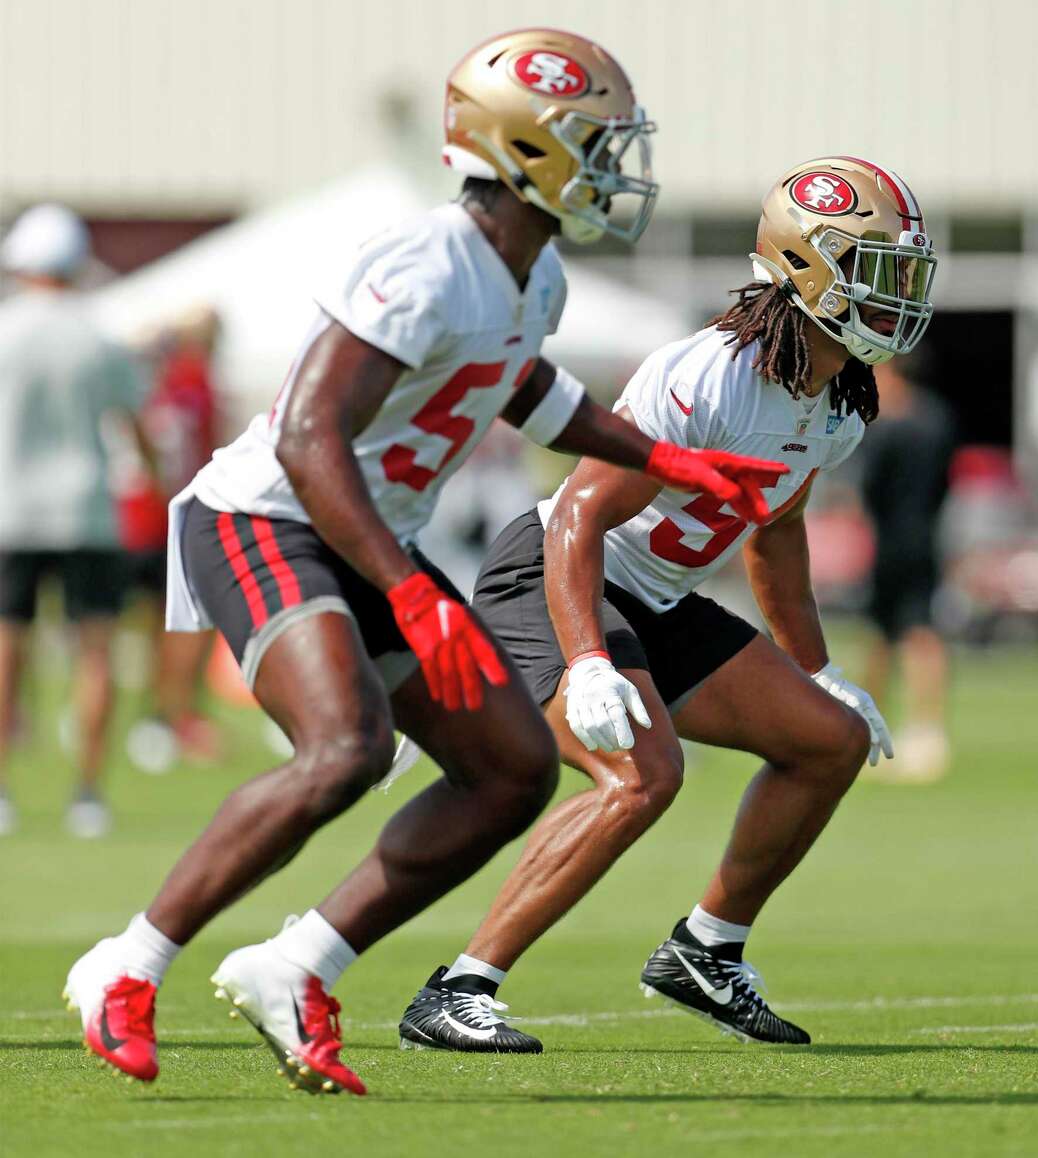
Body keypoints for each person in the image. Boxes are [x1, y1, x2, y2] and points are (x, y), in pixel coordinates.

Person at [63, 29, 785, 1096]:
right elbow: (310, 437)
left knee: (510, 771)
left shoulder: (529, 279)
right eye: (591, 142)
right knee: (344, 748)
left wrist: (664, 456)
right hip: (265, 517)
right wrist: (409, 589)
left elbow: (528, 391)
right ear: (524, 150)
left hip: (363, 535)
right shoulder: (430, 260)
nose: (611, 166)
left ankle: (296, 963)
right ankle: (126, 965)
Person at [396, 157, 938, 1052]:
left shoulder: (837, 403)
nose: (897, 295)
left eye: (905, 274)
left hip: (654, 595)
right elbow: (577, 515)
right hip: (554, 574)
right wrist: (589, 660)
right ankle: (459, 987)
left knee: (826, 741)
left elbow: (775, 535)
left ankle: (706, 951)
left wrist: (820, 671)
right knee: (642, 777)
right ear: (808, 268)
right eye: (877, 270)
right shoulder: (714, 371)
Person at [0, 204, 149, 839]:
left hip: (11, 510)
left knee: (8, 649)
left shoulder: (4, 329)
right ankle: (87, 793)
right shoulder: (98, 335)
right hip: (88, 507)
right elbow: (135, 423)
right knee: (95, 649)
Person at [119, 306, 223, 771]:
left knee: (144, 629)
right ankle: (172, 715)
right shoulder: (190, 384)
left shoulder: (142, 387)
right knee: (183, 626)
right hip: (163, 519)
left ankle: (163, 716)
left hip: (129, 520)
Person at [859, 351, 955, 782]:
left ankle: (882, 728)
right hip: (929, 533)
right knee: (897, 631)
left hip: (893, 540)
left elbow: (869, 487)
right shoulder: (937, 417)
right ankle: (916, 727)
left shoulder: (888, 426)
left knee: (906, 630)